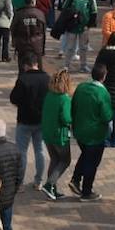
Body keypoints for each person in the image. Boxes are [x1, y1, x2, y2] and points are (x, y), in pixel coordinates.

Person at [67, 63, 113, 201]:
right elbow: (106, 115)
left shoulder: (81, 87)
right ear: (104, 77)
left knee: (86, 155)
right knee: (92, 162)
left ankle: (75, 179)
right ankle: (86, 191)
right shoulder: (103, 93)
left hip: (79, 131)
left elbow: (73, 106)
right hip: (95, 134)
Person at [9, 53, 50, 189]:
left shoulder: (23, 79)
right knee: (40, 150)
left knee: (22, 151)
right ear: (37, 64)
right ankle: (38, 181)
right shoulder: (47, 78)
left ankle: (19, 183)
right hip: (41, 120)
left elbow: (13, 99)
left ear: (25, 65)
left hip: (24, 121)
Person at [40, 69, 74, 200]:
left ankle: (52, 190)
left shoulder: (49, 95)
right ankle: (49, 185)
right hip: (60, 135)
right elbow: (66, 118)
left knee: (54, 160)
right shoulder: (64, 98)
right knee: (65, 160)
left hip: (47, 134)